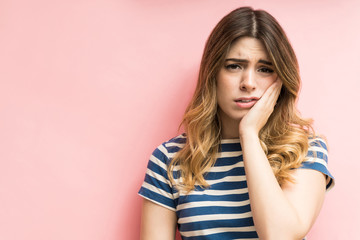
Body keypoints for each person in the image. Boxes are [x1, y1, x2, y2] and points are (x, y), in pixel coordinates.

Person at [138, 6, 335, 240]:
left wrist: (249, 135)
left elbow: (280, 235)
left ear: (280, 78)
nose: (248, 83)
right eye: (234, 66)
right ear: (213, 74)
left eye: (264, 69)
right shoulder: (169, 159)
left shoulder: (305, 150)